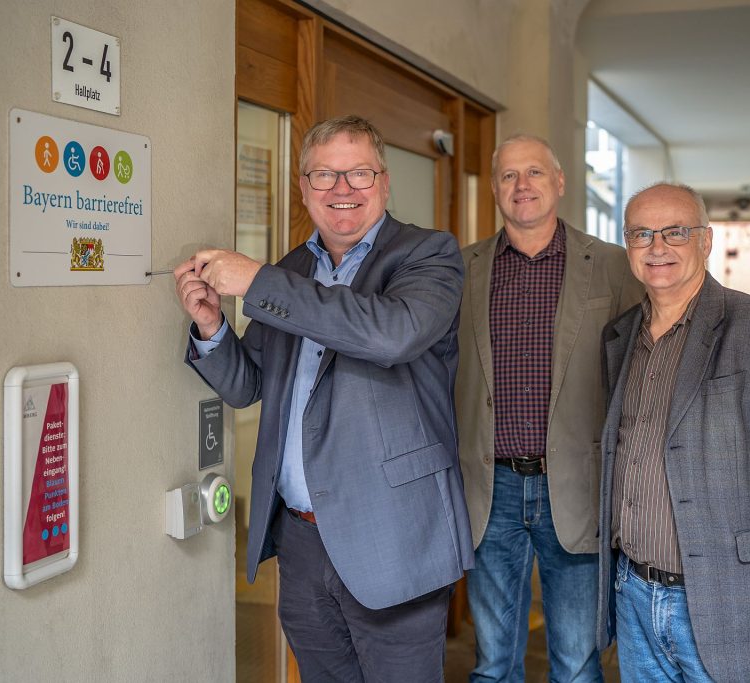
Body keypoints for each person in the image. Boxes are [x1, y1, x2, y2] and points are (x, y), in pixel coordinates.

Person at [173, 115, 474, 682]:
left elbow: (390, 334)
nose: (342, 190)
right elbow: (249, 387)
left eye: (359, 173)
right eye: (325, 176)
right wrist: (212, 327)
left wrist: (258, 283)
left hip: (393, 535)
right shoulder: (291, 270)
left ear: (384, 182)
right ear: (304, 188)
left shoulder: (428, 256)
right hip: (303, 539)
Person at [595, 183, 750, 683]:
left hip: (726, 596)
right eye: (641, 233)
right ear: (627, 246)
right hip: (635, 594)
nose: (657, 246)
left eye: (675, 231)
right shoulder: (621, 335)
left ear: (706, 241)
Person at [456, 134, 642, 682]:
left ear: (560, 182)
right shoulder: (461, 270)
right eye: (509, 175)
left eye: (534, 172)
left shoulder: (612, 266)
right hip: (491, 490)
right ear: (494, 189)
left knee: (578, 665)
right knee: (492, 664)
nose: (522, 186)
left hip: (576, 487)